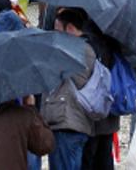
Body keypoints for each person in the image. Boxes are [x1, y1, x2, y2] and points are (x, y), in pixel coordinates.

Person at [41, 9, 102, 170]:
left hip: (67, 122)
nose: (55, 34)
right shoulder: (88, 48)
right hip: (76, 122)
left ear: (69, 29)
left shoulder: (74, 50)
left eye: (57, 29)